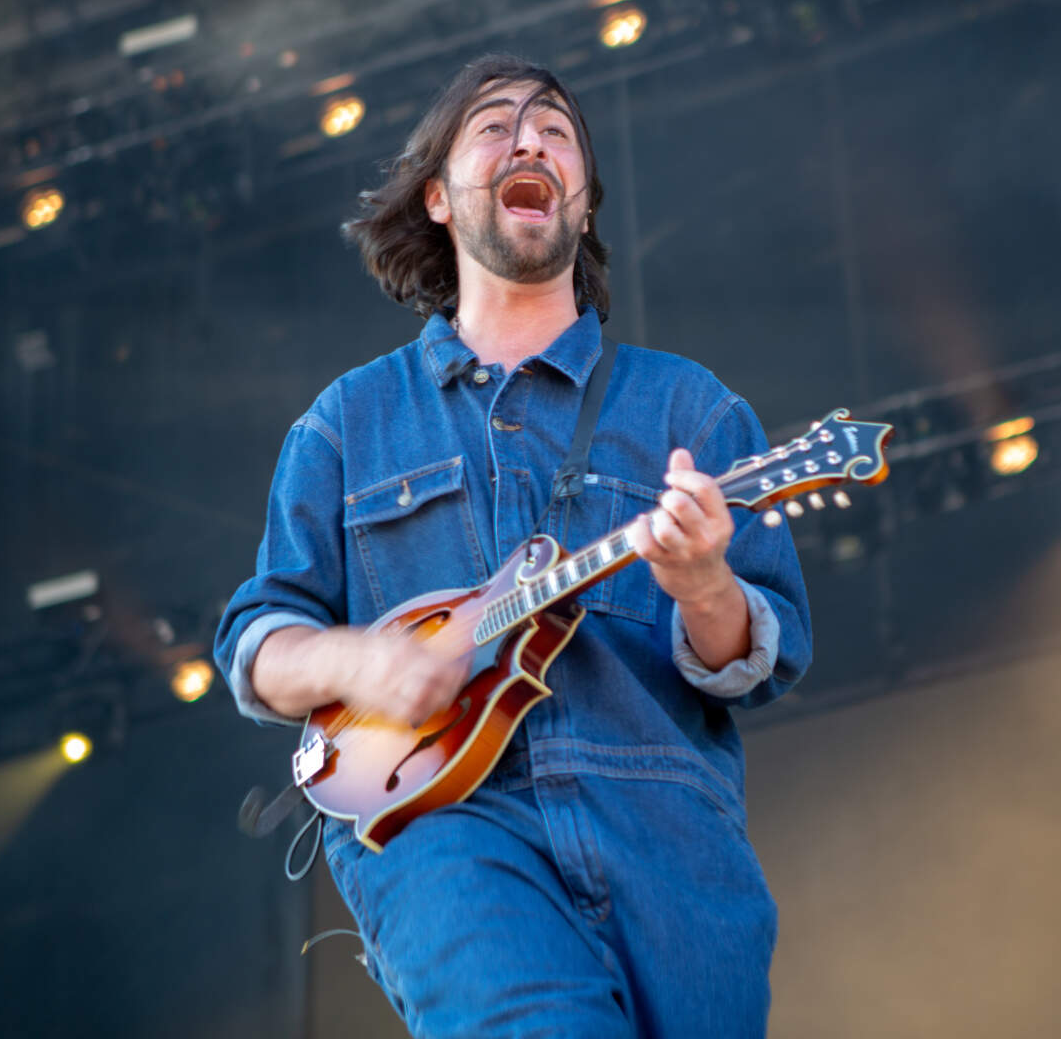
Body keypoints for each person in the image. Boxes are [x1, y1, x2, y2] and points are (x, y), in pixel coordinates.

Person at [214, 53, 811, 1038]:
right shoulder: (347, 424)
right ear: (440, 198)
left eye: (557, 131)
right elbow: (255, 640)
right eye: (493, 126)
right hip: (440, 823)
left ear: (582, 204)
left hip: (667, 839)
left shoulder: (688, 407)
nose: (530, 136)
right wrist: (364, 656)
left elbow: (759, 659)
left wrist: (703, 583)